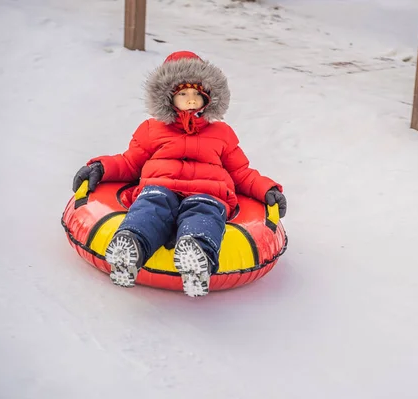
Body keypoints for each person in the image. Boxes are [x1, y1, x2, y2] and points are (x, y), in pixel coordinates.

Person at [72, 51, 287, 297]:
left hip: (207, 191)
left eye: (198, 93)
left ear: (209, 97)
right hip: (160, 186)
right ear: (168, 97)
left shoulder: (221, 133)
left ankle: (196, 256)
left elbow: (241, 172)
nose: (191, 99)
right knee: (152, 206)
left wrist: (267, 190)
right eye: (183, 93)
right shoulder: (152, 129)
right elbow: (130, 162)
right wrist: (100, 168)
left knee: (204, 212)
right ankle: (130, 246)